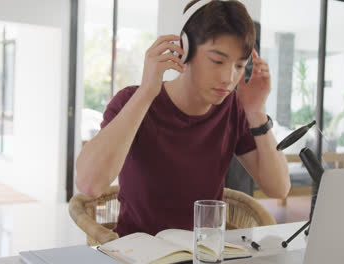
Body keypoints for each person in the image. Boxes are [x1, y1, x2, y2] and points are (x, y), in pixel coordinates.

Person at [75, 0, 289, 237]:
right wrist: (147, 92)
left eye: (239, 66)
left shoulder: (233, 109)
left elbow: (278, 187)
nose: (229, 78)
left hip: (203, 252)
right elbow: (89, 184)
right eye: (217, 61)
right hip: (137, 253)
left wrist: (256, 111)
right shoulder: (131, 101)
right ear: (184, 50)